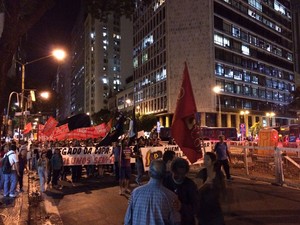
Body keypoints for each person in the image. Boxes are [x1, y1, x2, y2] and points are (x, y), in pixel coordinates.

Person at [124, 159, 181, 225]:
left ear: (149, 173)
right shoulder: (171, 197)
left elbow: (128, 220)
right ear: (164, 174)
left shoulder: (135, 193)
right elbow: (176, 221)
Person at [163, 157, 198, 225]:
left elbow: (196, 206)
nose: (180, 177)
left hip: (186, 221)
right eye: (177, 174)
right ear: (172, 171)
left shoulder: (190, 185)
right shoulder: (165, 181)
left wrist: (182, 206)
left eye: (182, 174)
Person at [196, 152, 226, 225]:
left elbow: (223, 188)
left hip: (216, 207)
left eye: (207, 159)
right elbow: (196, 191)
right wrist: (205, 184)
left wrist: (223, 198)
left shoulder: (219, 174)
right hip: (203, 207)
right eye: (204, 159)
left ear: (213, 161)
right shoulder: (202, 173)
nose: (205, 161)